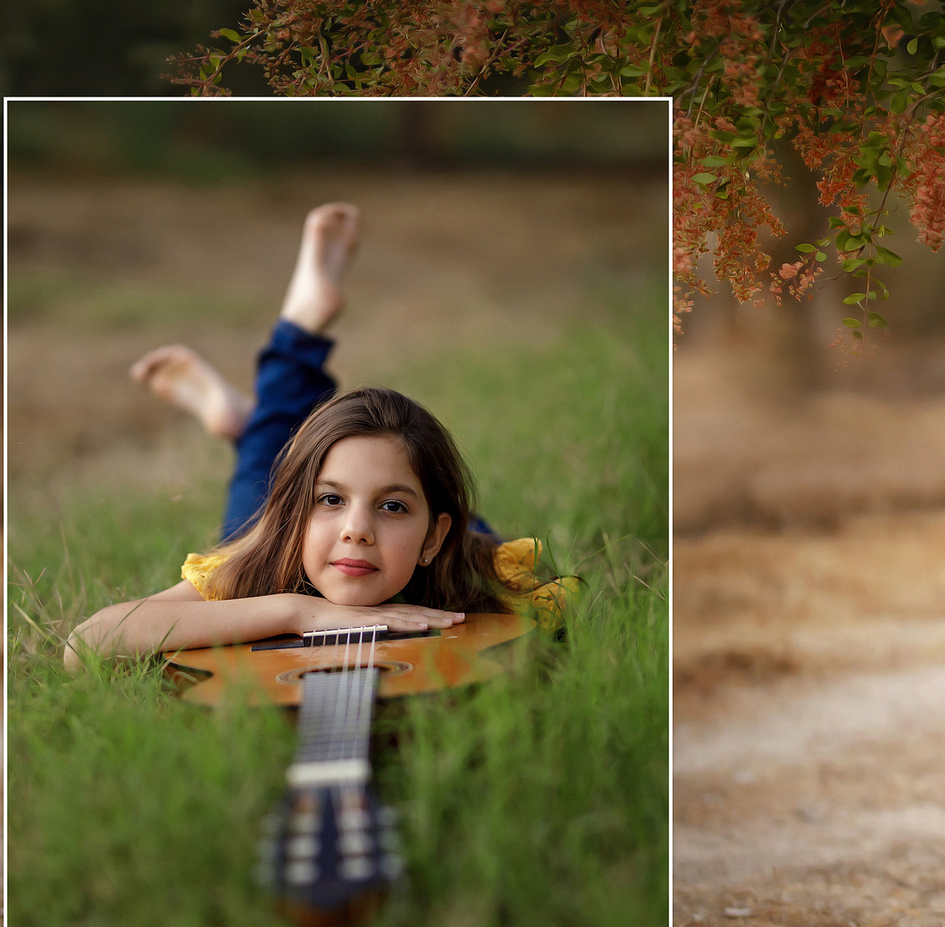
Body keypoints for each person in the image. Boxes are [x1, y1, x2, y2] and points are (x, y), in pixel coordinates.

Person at [67, 203, 570, 669]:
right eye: (330, 499)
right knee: (271, 477)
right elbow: (86, 643)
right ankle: (298, 329)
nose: (357, 529)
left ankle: (249, 422)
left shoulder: (476, 576)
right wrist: (294, 611)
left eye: (392, 507)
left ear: (433, 537)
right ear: (292, 511)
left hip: (428, 550)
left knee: (285, 452)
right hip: (287, 545)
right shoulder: (257, 567)